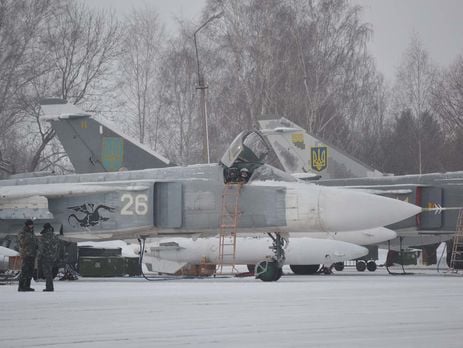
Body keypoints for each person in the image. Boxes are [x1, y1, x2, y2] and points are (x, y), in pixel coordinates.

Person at [17, 219, 38, 292]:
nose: (31, 226)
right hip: (26, 254)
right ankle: (21, 286)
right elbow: (22, 242)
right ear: (27, 225)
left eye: (32, 225)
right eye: (30, 225)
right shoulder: (23, 232)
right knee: (24, 271)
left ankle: (27, 286)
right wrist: (29, 239)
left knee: (30, 271)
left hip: (32, 254)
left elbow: (35, 242)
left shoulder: (32, 233)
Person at [39, 223, 59, 292]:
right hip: (53, 257)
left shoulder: (44, 236)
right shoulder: (54, 236)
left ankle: (49, 287)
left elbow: (41, 247)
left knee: (47, 273)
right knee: (50, 272)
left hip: (46, 256)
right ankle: (50, 286)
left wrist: (40, 255)